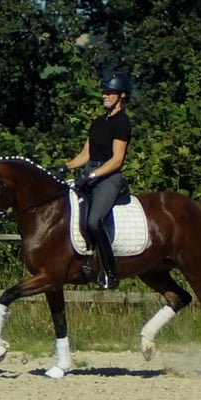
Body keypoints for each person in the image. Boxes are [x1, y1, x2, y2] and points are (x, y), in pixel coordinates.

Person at [52, 72, 133, 290]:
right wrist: (65, 166)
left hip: (108, 178)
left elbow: (117, 160)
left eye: (110, 93)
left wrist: (94, 175)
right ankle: (82, 260)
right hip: (90, 173)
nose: (104, 96)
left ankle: (109, 273)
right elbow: (85, 155)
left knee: (93, 221)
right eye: (104, 92)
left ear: (122, 96)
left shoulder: (122, 123)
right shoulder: (97, 122)